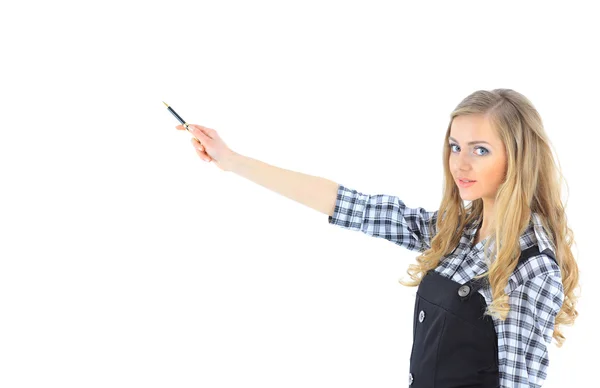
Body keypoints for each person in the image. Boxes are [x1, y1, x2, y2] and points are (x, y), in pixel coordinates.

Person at [175, 88, 579, 387]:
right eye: (455, 147)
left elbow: (519, 382)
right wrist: (232, 161)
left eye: (480, 150)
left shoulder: (534, 266)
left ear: (518, 156)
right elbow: (354, 207)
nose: (461, 163)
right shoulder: (455, 232)